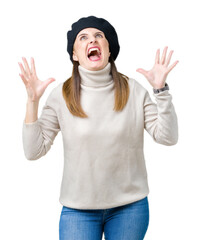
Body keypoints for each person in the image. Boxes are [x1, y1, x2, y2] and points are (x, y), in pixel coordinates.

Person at [19, 16, 179, 240]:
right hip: (78, 210)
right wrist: (32, 102)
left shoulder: (134, 90)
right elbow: (33, 151)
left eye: (98, 36)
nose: (91, 40)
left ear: (109, 49)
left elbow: (168, 137)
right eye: (83, 37)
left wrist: (161, 91)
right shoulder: (61, 95)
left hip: (129, 208)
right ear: (75, 54)